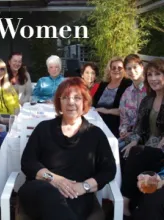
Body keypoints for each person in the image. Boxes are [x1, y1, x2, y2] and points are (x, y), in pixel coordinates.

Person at [18, 77, 116, 220]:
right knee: (50, 196)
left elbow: (109, 169)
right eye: (65, 97)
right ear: (59, 102)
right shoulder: (44, 128)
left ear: (84, 103)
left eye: (77, 98)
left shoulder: (95, 134)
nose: (70, 102)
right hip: (41, 189)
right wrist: (54, 180)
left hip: (77, 194)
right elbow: (28, 162)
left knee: (67, 206)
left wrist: (84, 187)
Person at [121, 59, 164, 219]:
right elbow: (139, 126)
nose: (153, 78)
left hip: (160, 150)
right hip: (146, 144)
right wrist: (133, 140)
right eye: (150, 75)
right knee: (125, 152)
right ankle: (128, 202)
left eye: (158, 74)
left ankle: (126, 203)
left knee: (138, 152)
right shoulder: (147, 100)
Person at [93, 56, 132, 138]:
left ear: (124, 70)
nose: (116, 70)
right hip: (96, 121)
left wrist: (106, 111)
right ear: (109, 69)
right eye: (113, 68)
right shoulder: (103, 84)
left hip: (114, 126)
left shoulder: (127, 85)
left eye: (119, 68)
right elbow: (94, 103)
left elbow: (126, 111)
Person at [119, 54, 146, 150]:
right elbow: (123, 118)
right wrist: (123, 130)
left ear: (142, 67)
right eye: (129, 69)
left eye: (135, 67)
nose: (132, 71)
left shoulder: (151, 90)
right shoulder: (126, 93)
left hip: (144, 139)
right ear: (126, 71)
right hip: (128, 138)